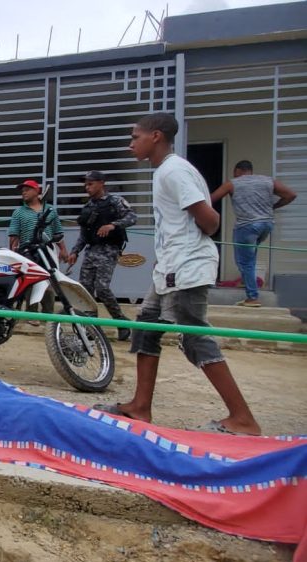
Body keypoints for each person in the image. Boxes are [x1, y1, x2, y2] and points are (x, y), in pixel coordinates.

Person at [102, 112, 260, 436]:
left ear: (155, 136)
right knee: (146, 328)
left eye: (135, 137)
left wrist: (191, 241)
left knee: (194, 337)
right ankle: (140, 407)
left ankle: (242, 418)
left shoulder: (173, 171)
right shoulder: (167, 171)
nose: (131, 144)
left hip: (186, 266)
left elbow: (210, 220)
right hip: (169, 267)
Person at [209, 160, 297, 307]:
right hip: (266, 225)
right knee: (250, 258)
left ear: (237, 171)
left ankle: (252, 297)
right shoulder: (268, 181)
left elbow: (211, 199)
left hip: (246, 226)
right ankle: (248, 284)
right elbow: (291, 195)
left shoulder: (233, 183)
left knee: (244, 262)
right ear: (250, 170)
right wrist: (274, 206)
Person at [67, 171, 137, 341]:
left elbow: (132, 217)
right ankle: (91, 328)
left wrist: (113, 225)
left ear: (101, 183)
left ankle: (122, 322)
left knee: (102, 288)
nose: (87, 187)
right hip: (91, 251)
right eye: (85, 184)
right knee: (86, 290)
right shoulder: (88, 207)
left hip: (109, 250)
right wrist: (75, 251)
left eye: (90, 184)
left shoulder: (115, 201)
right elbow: (84, 234)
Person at [8, 179, 68, 325]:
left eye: (27, 189)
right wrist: (13, 254)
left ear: (37, 191)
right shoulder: (19, 212)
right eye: (22, 190)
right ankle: (32, 313)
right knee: (31, 281)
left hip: (47, 250)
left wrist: (63, 250)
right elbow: (14, 236)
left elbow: (58, 231)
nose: (24, 192)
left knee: (49, 281)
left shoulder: (50, 210)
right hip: (28, 251)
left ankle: (48, 316)